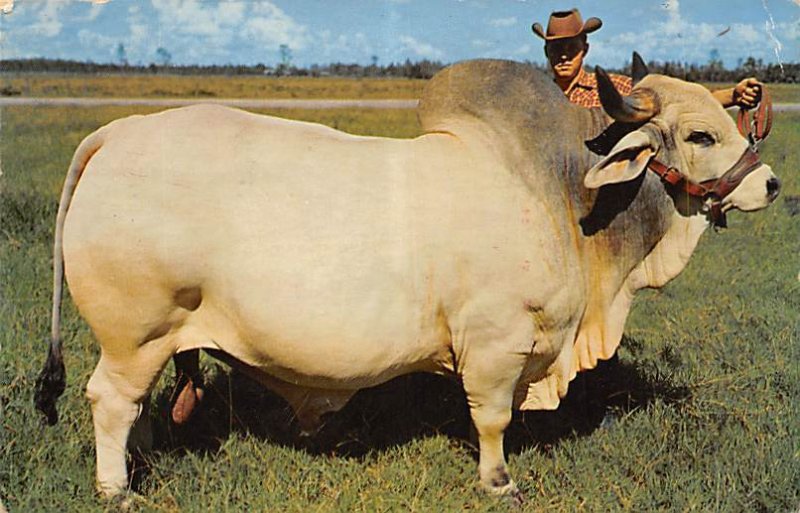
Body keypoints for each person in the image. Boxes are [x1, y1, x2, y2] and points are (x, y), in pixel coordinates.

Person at [532, 9, 762, 109]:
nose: (563, 55)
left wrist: (733, 95)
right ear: (546, 52)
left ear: (585, 49)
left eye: (571, 47)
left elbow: (673, 100)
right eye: (555, 48)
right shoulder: (536, 96)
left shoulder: (613, 88)